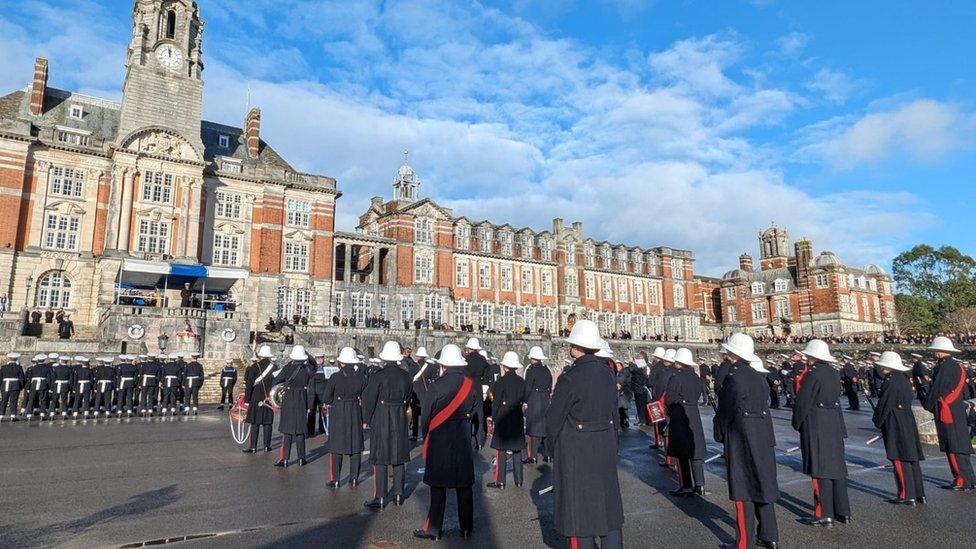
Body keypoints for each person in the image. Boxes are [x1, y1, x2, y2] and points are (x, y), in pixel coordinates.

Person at [546, 320, 624, 549]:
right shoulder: (608, 374)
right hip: (605, 446)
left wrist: (552, 449)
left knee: (579, 515)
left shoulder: (570, 377)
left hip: (576, 451)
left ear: (575, 347)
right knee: (608, 508)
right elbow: (613, 413)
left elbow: (554, 419)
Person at [714, 333, 779, 549]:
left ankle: (744, 542)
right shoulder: (757, 376)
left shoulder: (734, 377)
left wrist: (720, 430)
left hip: (742, 434)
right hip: (762, 432)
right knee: (763, 483)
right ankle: (769, 534)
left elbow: (727, 409)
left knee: (744, 488)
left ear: (732, 353)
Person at [414, 344, 482, 541]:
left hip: (440, 438)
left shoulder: (436, 385)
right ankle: (466, 528)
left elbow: (426, 415)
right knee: (464, 488)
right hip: (462, 437)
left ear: (443, 365)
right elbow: (476, 410)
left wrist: (426, 433)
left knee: (437, 487)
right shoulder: (470, 384)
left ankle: (434, 529)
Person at [792, 339, 851, 527]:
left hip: (817, 422)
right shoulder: (833, 372)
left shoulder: (812, 375)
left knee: (820, 470)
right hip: (834, 421)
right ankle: (843, 511)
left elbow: (803, 401)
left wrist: (797, 422)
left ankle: (824, 513)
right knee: (837, 468)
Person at [362, 341, 412, 509]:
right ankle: (398, 494)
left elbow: (369, 398)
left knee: (381, 457)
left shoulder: (378, 375)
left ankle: (381, 496)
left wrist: (366, 418)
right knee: (398, 456)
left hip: (382, 413)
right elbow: (409, 396)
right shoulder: (406, 375)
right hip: (399, 413)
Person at [871, 351, 926, 506]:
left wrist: (877, 420)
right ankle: (919, 493)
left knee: (900, 458)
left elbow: (884, 406)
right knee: (912, 458)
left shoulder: (890, 382)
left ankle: (906, 494)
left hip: (895, 422)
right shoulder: (903, 379)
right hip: (907, 419)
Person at [922, 336, 975, 491]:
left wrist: (928, 404)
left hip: (947, 409)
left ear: (940, 351)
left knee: (953, 445)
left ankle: (961, 479)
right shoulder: (956, 366)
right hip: (956, 407)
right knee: (960, 444)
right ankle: (970, 478)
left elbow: (937, 389)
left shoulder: (944, 367)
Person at [665, 348, 707, 497]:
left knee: (681, 451)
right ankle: (700, 484)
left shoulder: (676, 377)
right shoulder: (696, 378)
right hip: (693, 412)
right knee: (695, 451)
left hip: (680, 413)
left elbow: (669, 399)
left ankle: (686, 485)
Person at [323, 347, 368, 488]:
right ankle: (354, 479)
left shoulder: (335, 377)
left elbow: (326, 397)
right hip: (354, 409)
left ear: (341, 362)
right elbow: (365, 398)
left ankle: (336, 479)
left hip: (339, 410)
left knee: (336, 446)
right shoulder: (361, 377)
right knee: (355, 446)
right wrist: (365, 418)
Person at [487, 351, 527, 489]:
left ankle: (501, 481)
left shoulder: (501, 382)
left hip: (503, 415)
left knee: (502, 451)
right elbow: (524, 399)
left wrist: (494, 418)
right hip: (516, 415)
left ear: (504, 367)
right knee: (517, 450)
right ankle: (519, 480)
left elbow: (496, 402)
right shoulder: (522, 381)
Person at [273, 345, 312, 467]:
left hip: (289, 399)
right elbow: (312, 390)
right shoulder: (308, 370)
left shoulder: (287, 368)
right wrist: (309, 405)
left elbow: (276, 381)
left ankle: (285, 459)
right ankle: (302, 458)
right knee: (300, 431)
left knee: (287, 431)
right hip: (302, 399)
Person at [243, 345, 277, 453]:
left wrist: (247, 399)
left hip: (256, 397)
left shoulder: (254, 367)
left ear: (260, 355)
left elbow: (249, 385)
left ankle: (253, 446)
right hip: (269, 397)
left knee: (255, 423)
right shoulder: (275, 367)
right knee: (267, 423)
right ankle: (267, 446)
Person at [523, 346, 552, 463]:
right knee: (545, 426)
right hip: (545, 397)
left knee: (534, 428)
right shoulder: (547, 369)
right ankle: (547, 454)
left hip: (534, 398)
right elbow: (550, 384)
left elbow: (528, 386)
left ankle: (533, 455)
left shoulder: (531, 370)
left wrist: (525, 400)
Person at [462, 338, 491, 449]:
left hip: (468, 386)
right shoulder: (483, 360)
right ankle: (479, 441)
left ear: (469, 348)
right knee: (479, 414)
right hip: (478, 386)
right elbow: (487, 374)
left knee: (468, 414)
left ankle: (468, 440)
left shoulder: (465, 359)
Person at [1, 352, 25, 422]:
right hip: (15, 386)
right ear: (16, 359)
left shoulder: (3, 367)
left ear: (9, 358)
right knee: (13, 401)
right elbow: (22, 378)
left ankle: (1, 415)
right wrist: (21, 386)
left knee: (3, 401)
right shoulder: (19, 367)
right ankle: (13, 416)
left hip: (5, 385)